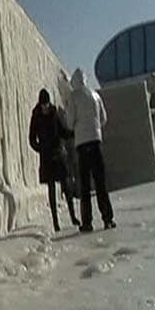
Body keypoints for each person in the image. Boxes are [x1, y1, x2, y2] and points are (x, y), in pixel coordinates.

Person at [66, 69, 116, 232]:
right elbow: (104, 118)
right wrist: (95, 129)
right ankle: (108, 218)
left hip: (82, 144)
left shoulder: (74, 97)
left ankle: (87, 222)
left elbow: (70, 122)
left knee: (85, 186)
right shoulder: (95, 95)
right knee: (100, 182)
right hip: (96, 142)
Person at [29, 88, 80, 232]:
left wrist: (72, 133)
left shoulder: (54, 113)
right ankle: (55, 222)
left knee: (66, 185)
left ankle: (73, 216)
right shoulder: (36, 116)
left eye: (46, 104)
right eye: (43, 105)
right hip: (46, 156)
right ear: (40, 104)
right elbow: (31, 138)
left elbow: (62, 131)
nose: (45, 107)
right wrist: (40, 148)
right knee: (51, 189)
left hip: (58, 153)